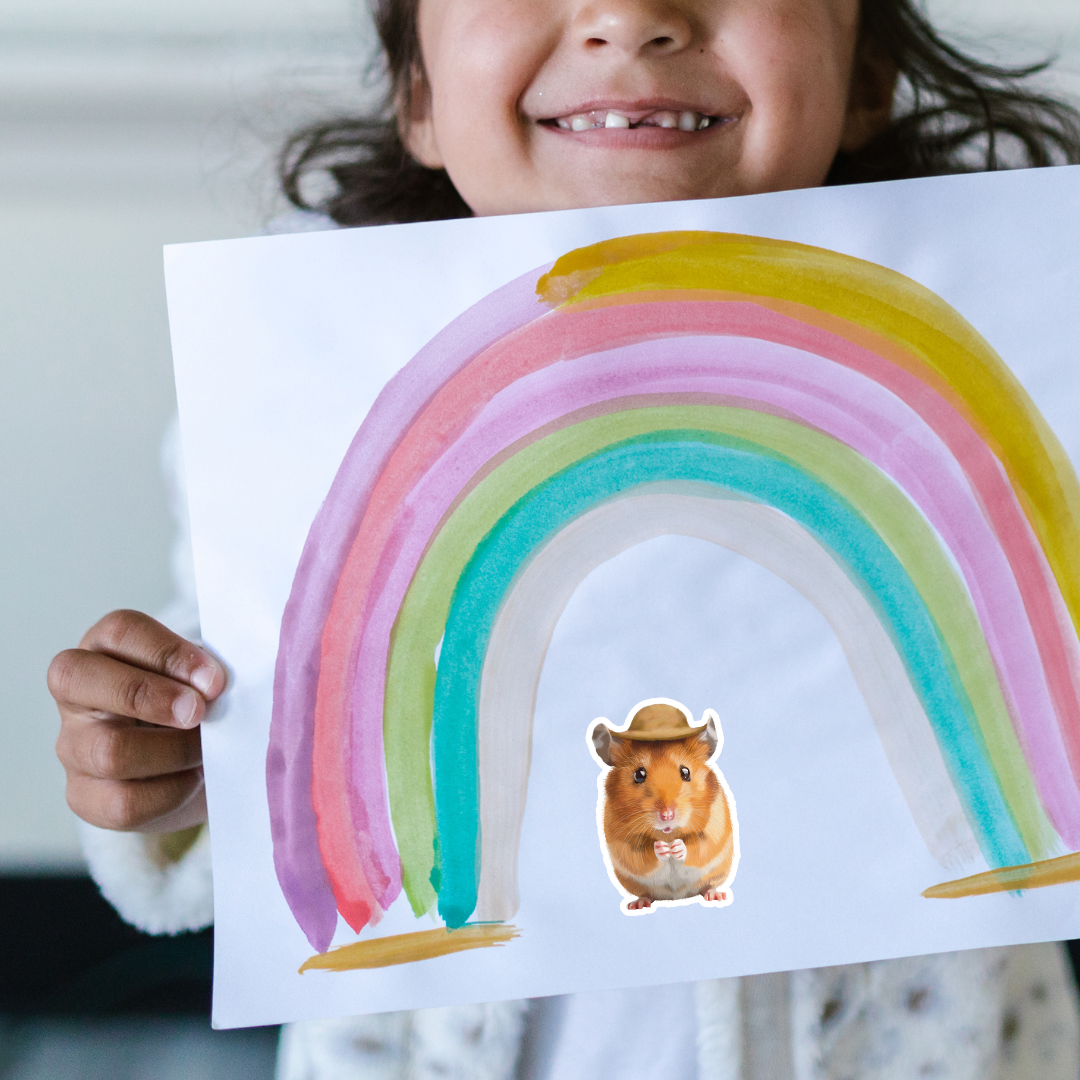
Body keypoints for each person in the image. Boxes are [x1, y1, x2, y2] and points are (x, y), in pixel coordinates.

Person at [49, 0, 1080, 1076]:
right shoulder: (309, 401)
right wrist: (180, 763)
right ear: (419, 94)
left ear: (865, 69)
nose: (631, 18)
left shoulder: (1016, 377)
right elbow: (290, 747)